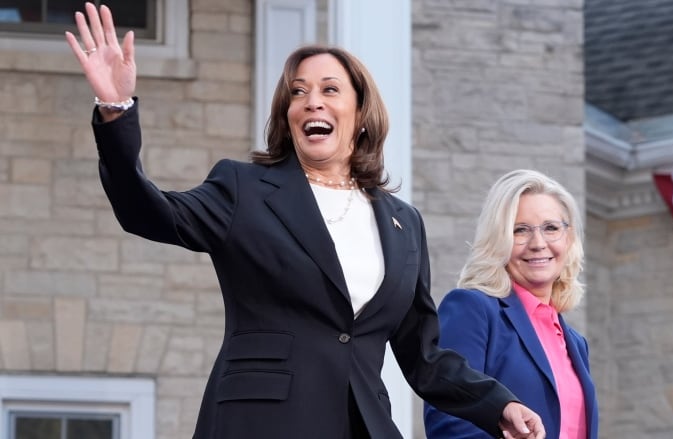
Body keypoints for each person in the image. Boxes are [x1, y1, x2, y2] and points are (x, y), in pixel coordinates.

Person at [64, 3, 547, 439]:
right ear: (289, 116)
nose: (312, 101)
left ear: (359, 114)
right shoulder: (244, 190)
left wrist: (497, 404)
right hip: (260, 421)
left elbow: (423, 356)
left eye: (329, 89)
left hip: (364, 424)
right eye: (298, 93)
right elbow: (147, 212)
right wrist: (116, 111)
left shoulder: (404, 223)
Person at [424, 169, 599, 439]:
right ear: (498, 240)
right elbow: (449, 423)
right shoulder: (472, 309)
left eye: (551, 228)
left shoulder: (576, 342)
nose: (538, 243)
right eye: (520, 230)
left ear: (570, 238)